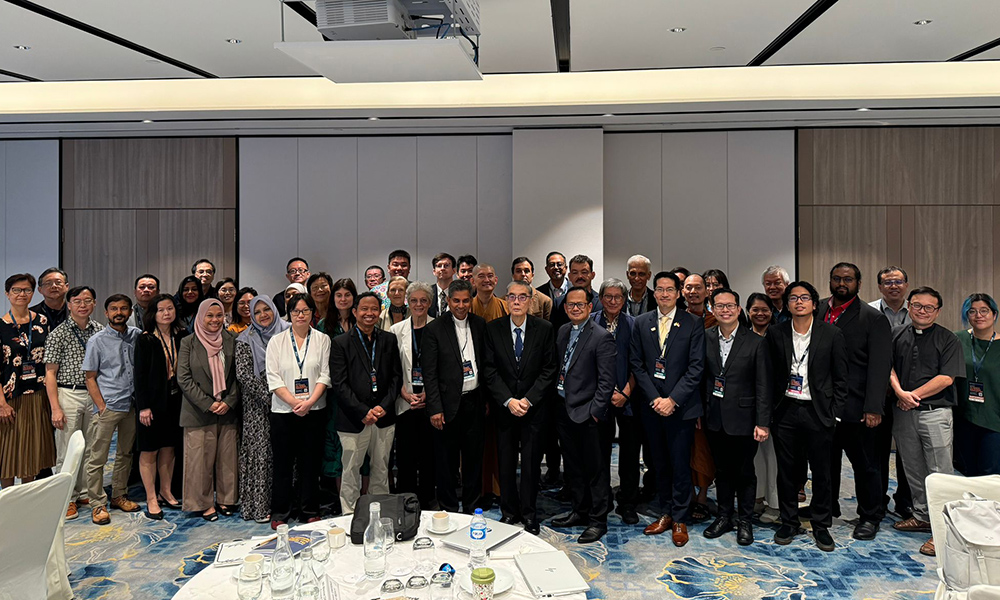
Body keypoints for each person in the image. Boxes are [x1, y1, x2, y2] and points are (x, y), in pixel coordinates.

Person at [766, 281, 848, 552]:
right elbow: (768, 377)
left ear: (815, 303)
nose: (798, 302)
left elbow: (841, 378)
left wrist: (834, 414)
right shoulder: (776, 333)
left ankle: (821, 525)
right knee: (788, 470)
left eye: (804, 297)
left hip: (818, 411)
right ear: (787, 304)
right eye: (793, 298)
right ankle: (789, 521)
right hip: (786, 410)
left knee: (822, 471)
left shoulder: (832, 334)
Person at [630, 271, 704, 547]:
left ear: (678, 293)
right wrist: (655, 399)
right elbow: (637, 364)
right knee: (658, 462)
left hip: (681, 407)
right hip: (652, 407)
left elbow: (696, 367)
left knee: (680, 463)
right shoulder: (641, 322)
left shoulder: (693, 323)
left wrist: (672, 400)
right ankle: (665, 513)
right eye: (659, 289)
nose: (663, 294)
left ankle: (681, 517)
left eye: (669, 290)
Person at [818, 263, 892, 540]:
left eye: (847, 279)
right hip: (823, 405)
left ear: (859, 284)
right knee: (825, 463)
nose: (841, 283)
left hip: (858, 406)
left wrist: (874, 407)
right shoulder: (819, 309)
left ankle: (870, 515)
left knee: (865, 464)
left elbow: (880, 367)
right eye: (836, 278)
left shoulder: (872, 318)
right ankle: (826, 508)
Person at [889, 286, 964, 557]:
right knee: (913, 469)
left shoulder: (948, 339)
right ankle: (922, 516)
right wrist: (899, 392)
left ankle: (944, 529)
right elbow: (889, 367)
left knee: (940, 471)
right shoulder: (896, 334)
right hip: (903, 413)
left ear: (938, 311)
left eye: (929, 307)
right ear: (909, 306)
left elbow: (947, 378)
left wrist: (912, 396)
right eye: (917, 305)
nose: (922, 311)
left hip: (935, 413)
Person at [482, 281, 557, 535]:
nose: (516, 302)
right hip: (505, 409)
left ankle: (529, 513)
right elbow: (489, 370)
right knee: (506, 462)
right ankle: (509, 511)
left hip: (533, 410)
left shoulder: (545, 328)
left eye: (522, 297)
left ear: (530, 300)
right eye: (511, 296)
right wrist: (509, 400)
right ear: (506, 299)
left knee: (531, 465)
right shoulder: (493, 329)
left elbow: (549, 369)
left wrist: (528, 400)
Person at [702, 288, 771, 546]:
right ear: (713, 310)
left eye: (730, 306)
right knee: (722, 470)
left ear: (739, 310)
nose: (725, 310)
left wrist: (762, 422)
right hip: (714, 416)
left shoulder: (755, 342)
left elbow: (763, 385)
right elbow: (702, 379)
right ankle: (724, 516)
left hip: (745, 418)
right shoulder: (705, 337)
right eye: (719, 306)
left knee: (744, 471)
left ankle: (745, 521)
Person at [550, 286, 616, 544]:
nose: (575, 308)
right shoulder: (563, 331)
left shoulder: (602, 337)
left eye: (580, 304)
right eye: (570, 305)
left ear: (590, 307)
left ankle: (598, 521)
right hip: (564, 410)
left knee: (596, 470)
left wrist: (595, 413)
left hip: (589, 415)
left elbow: (607, 382)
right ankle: (580, 511)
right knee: (573, 467)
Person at [330, 292, 401, 514]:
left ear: (380, 312)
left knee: (381, 469)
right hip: (353, 420)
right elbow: (339, 384)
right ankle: (350, 516)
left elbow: (396, 378)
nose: (369, 313)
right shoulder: (340, 343)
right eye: (364, 309)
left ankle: (381, 516)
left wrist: (384, 406)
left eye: (374, 309)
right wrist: (362, 411)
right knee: (351, 472)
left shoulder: (389, 339)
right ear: (355, 312)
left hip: (383, 418)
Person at [266, 293, 332, 527]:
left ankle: (309, 510)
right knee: (283, 464)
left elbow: (324, 374)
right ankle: (280, 513)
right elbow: (273, 378)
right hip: (284, 411)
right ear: (289, 314)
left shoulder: (323, 339)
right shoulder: (277, 341)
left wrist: (309, 402)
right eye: (296, 311)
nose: (300, 315)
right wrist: (296, 403)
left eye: (305, 310)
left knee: (310, 464)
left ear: (313, 313)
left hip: (314, 411)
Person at [424, 279, 488, 513]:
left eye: (465, 300)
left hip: (474, 402)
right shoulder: (435, 329)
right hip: (446, 405)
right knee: (446, 461)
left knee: (473, 460)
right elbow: (429, 373)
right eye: (456, 301)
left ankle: (472, 507)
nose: (461, 305)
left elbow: (486, 364)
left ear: (471, 301)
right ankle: (449, 507)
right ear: (448, 301)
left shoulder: (480, 325)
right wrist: (434, 408)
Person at [177, 299, 241, 521]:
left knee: (228, 459)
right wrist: (208, 403)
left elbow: (239, 376)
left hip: (227, 410)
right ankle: (203, 503)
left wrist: (229, 401)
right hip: (198, 411)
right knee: (198, 460)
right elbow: (183, 378)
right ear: (201, 317)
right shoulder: (188, 342)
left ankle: (227, 499)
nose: (215, 320)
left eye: (219, 315)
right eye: (210, 316)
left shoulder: (232, 340)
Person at [43, 285, 103, 518]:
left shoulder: (99, 330)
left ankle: (85, 491)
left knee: (91, 445)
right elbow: (50, 373)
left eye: (87, 300)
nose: (82, 305)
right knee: (66, 447)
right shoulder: (58, 333)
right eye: (77, 301)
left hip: (94, 393)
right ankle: (66, 497)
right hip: (68, 393)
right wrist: (55, 407)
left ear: (94, 304)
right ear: (69, 305)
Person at [83, 293, 142, 525]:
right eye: (114, 309)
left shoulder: (137, 336)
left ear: (129, 312)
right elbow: (90, 376)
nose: (119, 313)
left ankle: (119, 495)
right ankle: (97, 504)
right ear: (106, 313)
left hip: (131, 404)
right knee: (97, 457)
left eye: (124, 308)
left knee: (125, 454)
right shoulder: (96, 341)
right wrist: (101, 406)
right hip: (108, 406)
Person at [591, 278, 640, 525]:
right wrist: (606, 392)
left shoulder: (635, 325)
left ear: (624, 300)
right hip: (600, 398)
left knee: (630, 454)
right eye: (608, 297)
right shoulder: (591, 323)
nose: (612, 301)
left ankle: (628, 502)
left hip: (628, 397)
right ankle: (602, 499)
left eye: (618, 297)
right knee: (599, 453)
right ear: (600, 299)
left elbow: (640, 363)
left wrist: (627, 392)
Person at [134, 294, 186, 520]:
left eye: (170, 309)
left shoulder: (182, 336)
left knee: (169, 447)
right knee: (150, 450)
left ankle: (166, 490)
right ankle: (151, 497)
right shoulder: (146, 339)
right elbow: (140, 376)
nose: (166, 313)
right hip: (152, 404)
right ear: (153, 314)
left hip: (175, 400)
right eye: (161, 310)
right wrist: (143, 407)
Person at [1, 274, 55, 490]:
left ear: (33, 293)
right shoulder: (1, 325)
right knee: (9, 452)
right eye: (16, 290)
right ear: (7, 294)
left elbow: (49, 361)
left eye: (26, 290)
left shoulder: (42, 321)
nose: (22, 294)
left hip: (38, 394)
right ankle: (7, 502)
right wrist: (2, 404)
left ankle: (27, 501)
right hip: (11, 398)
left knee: (32, 451)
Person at [235, 295, 287, 523]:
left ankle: (285, 505)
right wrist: (270, 397)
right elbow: (244, 374)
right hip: (258, 406)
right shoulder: (245, 339)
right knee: (261, 454)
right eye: (258, 312)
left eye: (267, 309)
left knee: (285, 454)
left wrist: (285, 397)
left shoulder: (288, 332)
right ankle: (259, 505)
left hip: (287, 401)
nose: (263, 315)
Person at [870, 267, 914, 520]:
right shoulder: (868, 311)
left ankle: (905, 501)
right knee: (877, 451)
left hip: (909, 394)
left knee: (908, 452)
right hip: (879, 393)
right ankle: (877, 501)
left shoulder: (918, 309)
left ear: (906, 285)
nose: (893, 286)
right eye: (888, 282)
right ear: (879, 287)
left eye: (898, 281)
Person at [390, 282, 437, 509]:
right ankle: (406, 501)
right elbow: (391, 369)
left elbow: (443, 367)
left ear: (430, 303)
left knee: (429, 456)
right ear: (408, 302)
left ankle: (427, 500)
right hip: (405, 400)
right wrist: (404, 394)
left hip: (430, 402)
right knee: (406, 457)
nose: (419, 305)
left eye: (424, 300)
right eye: (415, 300)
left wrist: (428, 393)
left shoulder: (438, 328)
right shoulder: (395, 331)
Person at [954, 293, 1000, 477]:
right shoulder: (956, 340)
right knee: (967, 472)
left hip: (994, 420)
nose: (978, 315)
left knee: (991, 473)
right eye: (972, 311)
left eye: (984, 311)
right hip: (963, 417)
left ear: (994, 314)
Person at [683, 272, 717, 521]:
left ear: (707, 291)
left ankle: (702, 496)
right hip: (679, 393)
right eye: (688, 288)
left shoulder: (716, 319)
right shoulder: (677, 319)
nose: (693, 292)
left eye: (698, 288)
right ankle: (684, 495)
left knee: (703, 448)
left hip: (708, 393)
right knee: (682, 449)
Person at [745, 292, 779, 521]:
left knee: (774, 456)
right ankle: (756, 498)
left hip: (777, 404)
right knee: (753, 455)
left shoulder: (779, 336)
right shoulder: (742, 336)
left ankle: (775, 504)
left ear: (772, 312)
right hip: (747, 405)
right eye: (755, 309)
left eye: (764, 310)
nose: (760, 313)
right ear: (747, 312)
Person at [552, 255, 603, 331]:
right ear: (569, 276)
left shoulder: (602, 302)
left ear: (592, 275)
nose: (580, 276)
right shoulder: (559, 303)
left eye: (584, 272)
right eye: (575, 273)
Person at [31, 267, 69, 332]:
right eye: (48, 283)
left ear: (67, 287)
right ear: (40, 290)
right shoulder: (30, 314)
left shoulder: (76, 312)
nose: (54, 286)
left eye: (58, 282)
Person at [429, 253, 456, 318]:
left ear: (454, 270)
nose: (442, 269)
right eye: (439, 266)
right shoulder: (428, 292)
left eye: (446, 265)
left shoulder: (460, 292)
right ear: (434, 271)